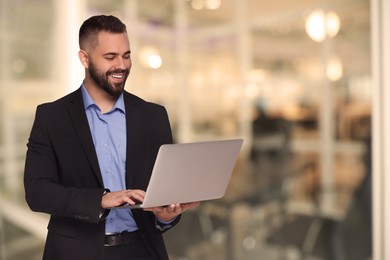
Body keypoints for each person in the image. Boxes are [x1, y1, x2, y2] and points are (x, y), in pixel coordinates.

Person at [24, 14, 199, 260]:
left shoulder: (154, 116)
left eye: (126, 55)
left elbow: (162, 188)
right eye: (110, 57)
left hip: (143, 250)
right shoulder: (51, 117)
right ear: (84, 58)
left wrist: (166, 215)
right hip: (74, 252)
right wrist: (101, 200)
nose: (122, 65)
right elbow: (37, 191)